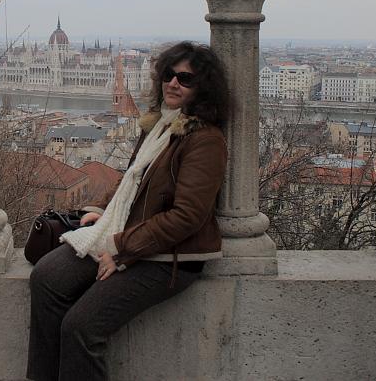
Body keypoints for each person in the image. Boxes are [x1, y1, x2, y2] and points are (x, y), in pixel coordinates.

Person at [27, 41, 230, 381]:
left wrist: (121, 248)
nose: (173, 83)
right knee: (47, 278)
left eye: (185, 78)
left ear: (203, 88)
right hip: (127, 233)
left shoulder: (204, 140)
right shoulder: (161, 126)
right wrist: (101, 211)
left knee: (81, 326)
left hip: (169, 256)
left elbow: (187, 217)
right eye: (168, 74)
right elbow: (132, 182)